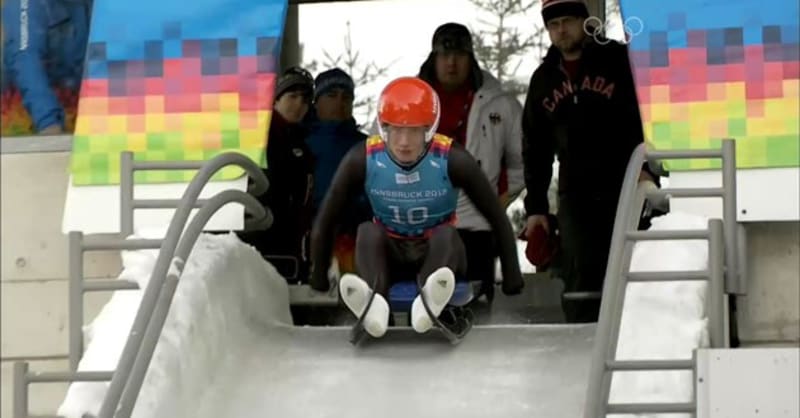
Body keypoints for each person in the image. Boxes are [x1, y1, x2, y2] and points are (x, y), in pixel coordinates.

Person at [310, 77, 523, 338]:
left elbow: (495, 215)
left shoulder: (452, 158)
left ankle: (429, 299)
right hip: (389, 253)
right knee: (367, 231)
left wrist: (512, 274)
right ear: (384, 128)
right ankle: (375, 302)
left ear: (429, 129)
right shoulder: (362, 158)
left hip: (438, 253)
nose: (404, 142)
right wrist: (319, 274)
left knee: (447, 234)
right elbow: (328, 216)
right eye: (396, 131)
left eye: (414, 131)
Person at [521, 0, 660, 323]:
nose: (561, 30)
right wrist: (536, 208)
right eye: (553, 25)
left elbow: (649, 116)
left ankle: (640, 337)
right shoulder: (543, 79)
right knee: (582, 274)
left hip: (627, 183)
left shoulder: (620, 61)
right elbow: (535, 149)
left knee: (636, 264)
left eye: (568, 21)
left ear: (585, 21)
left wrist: (648, 168)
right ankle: (581, 342)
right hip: (576, 194)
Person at [418, 23, 525, 300]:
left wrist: (497, 199)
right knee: (424, 304)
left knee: (476, 306)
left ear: (471, 58)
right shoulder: (410, 99)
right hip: (420, 225)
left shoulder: (501, 104)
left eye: (460, 55)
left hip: (477, 226)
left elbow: (521, 164)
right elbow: (378, 157)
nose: (451, 63)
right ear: (434, 58)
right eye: (444, 55)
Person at [239, 66, 315, 281]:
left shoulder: (301, 143)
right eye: (292, 96)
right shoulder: (257, 137)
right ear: (275, 99)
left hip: (287, 252)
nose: (299, 105)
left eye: (305, 100)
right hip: (258, 243)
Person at [1, 0, 92, 135]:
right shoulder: (25, 4)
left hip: (88, 105)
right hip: (30, 111)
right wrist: (48, 122)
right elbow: (26, 62)